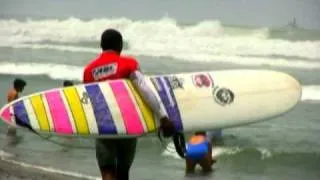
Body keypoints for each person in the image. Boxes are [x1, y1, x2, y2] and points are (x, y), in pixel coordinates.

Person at [83, 28, 175, 180]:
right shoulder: (128, 64)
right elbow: (145, 90)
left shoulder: (89, 70)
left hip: (103, 123)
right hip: (128, 123)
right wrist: (163, 117)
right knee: (123, 172)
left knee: (107, 171)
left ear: (101, 45)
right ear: (120, 46)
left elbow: (88, 100)